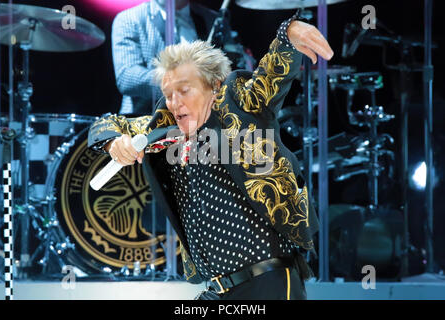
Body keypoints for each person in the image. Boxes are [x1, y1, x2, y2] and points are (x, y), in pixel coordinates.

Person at [89, 11, 333, 300]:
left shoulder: (241, 107)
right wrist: (114, 141)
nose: (174, 102)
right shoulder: (166, 131)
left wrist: (288, 34)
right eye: (168, 94)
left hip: (267, 283)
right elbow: (105, 123)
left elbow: (270, 77)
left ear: (214, 87)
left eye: (184, 90)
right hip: (218, 290)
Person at [112, 0, 217, 115]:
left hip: (203, 119)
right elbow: (126, 78)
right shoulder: (129, 18)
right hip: (145, 119)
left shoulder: (213, 20)